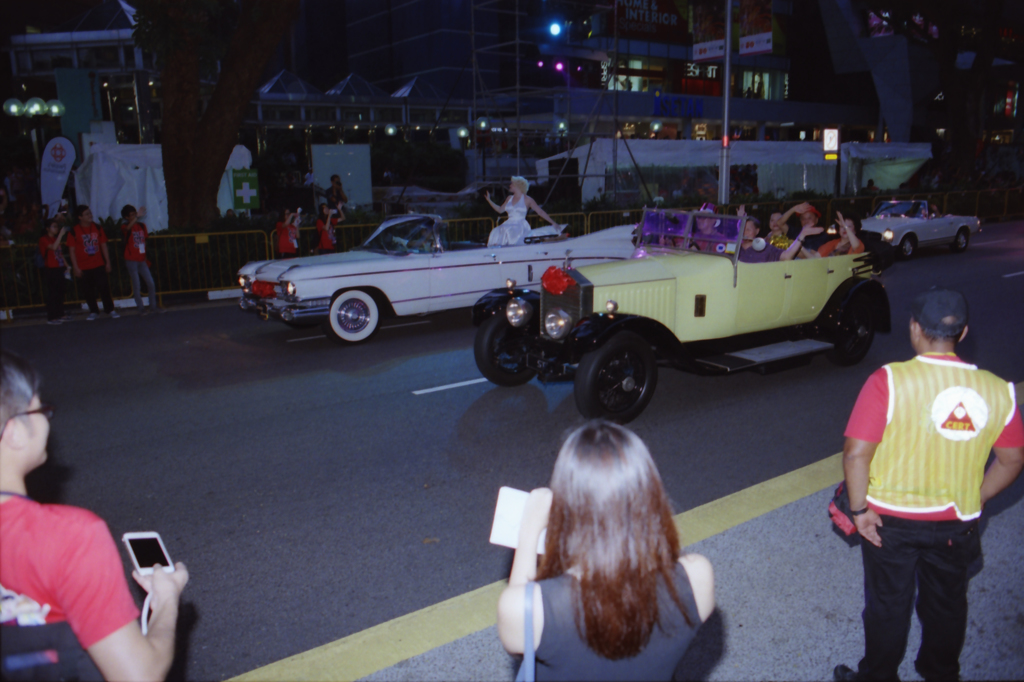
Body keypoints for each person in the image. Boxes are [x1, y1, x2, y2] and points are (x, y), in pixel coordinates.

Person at [833, 289, 1024, 682]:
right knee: (946, 604)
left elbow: (855, 454)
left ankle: (878, 677)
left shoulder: (890, 380)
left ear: (915, 328)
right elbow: (1013, 460)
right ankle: (939, 673)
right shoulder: (997, 389)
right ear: (964, 331)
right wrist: (979, 496)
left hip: (889, 522)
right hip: (957, 523)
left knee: (887, 604)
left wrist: (859, 510)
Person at [0, 350, 191, 681]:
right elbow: (139, 676)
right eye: (41, 408)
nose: (47, 419)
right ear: (14, 431)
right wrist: (166, 601)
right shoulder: (70, 535)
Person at [496, 421, 715, 680]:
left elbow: (519, 618)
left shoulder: (531, 608)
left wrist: (529, 531)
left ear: (566, 506)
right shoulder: (698, 577)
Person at [66, 205, 119, 320]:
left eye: (90, 213)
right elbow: (72, 250)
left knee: (104, 287)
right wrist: (75, 267)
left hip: (98, 263)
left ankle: (110, 309)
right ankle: (93, 311)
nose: (90, 216)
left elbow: (103, 245)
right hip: (83, 266)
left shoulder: (97, 228)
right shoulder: (74, 231)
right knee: (87, 290)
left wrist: (108, 262)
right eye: (87, 214)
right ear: (80, 217)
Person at [484, 176, 560, 247]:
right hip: (508, 224)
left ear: (517, 186)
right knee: (497, 232)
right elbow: (500, 210)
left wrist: (553, 222)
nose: (510, 185)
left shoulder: (528, 199)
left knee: (512, 234)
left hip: (520, 225)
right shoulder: (509, 198)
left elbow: (540, 212)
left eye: (512, 184)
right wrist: (489, 200)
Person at [120, 205, 163, 315]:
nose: (135, 217)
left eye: (135, 214)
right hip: (131, 259)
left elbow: (144, 241)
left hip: (141, 258)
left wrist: (145, 256)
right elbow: (126, 229)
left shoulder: (142, 226)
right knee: (136, 284)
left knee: (150, 283)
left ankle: (153, 306)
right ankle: (141, 308)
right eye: (132, 215)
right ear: (126, 217)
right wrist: (137, 217)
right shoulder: (125, 226)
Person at [736, 210, 822, 263]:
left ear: (757, 231)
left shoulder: (766, 248)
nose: (744, 233)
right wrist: (739, 221)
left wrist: (802, 236)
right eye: (772, 220)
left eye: (748, 229)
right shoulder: (765, 239)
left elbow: (787, 256)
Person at [38, 219, 71, 325]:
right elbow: (53, 247)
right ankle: (52, 316)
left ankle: (60, 313)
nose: (56, 229)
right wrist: (61, 235)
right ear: (47, 228)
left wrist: (67, 265)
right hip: (51, 268)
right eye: (54, 227)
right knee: (53, 293)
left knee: (60, 291)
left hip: (59, 266)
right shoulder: (44, 239)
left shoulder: (55, 238)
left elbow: (59, 253)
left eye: (57, 227)